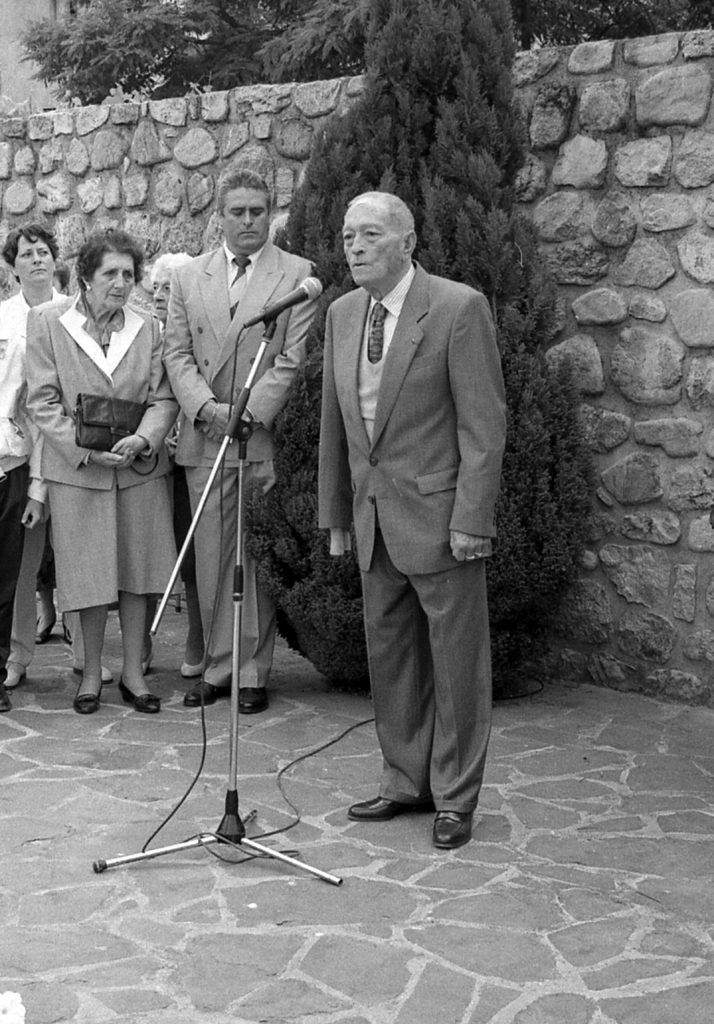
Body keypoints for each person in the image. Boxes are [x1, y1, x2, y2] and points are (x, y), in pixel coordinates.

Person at [318, 191, 507, 850]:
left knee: (456, 667)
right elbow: (336, 427)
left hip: (442, 521)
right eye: (348, 236)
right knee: (391, 657)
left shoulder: (457, 308)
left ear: (407, 241)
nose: (356, 246)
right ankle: (405, 779)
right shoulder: (343, 314)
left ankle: (455, 797)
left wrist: (472, 517)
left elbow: (483, 425)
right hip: (374, 523)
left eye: (370, 234)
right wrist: (336, 514)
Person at [163, 166, 318, 714]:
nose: (248, 220)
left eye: (258, 210)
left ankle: (251, 671)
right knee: (210, 557)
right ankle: (217, 666)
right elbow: (176, 353)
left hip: (254, 437)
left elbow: (291, 360)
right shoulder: (188, 277)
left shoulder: (297, 275)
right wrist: (207, 408)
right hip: (205, 435)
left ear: (270, 213)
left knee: (250, 558)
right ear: (219, 218)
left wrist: (244, 415)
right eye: (238, 211)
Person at [26, 228, 178, 715]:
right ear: (86, 277)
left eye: (128, 274)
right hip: (79, 473)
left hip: (138, 469)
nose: (120, 283)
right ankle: (90, 673)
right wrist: (86, 452)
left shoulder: (148, 327)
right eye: (109, 273)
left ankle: (134, 673)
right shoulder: (47, 322)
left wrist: (145, 438)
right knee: (88, 575)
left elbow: (163, 397)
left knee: (138, 571)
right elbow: (42, 402)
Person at [0, 224, 64, 703]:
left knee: (82, 559)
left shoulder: (73, 313)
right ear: (13, 264)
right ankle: (16, 655)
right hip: (21, 454)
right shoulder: (3, 319)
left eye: (44, 251)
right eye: (27, 253)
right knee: (21, 565)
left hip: (72, 450)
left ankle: (86, 656)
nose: (37, 259)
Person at [148, 252, 205, 679]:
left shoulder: (195, 335)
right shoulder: (144, 333)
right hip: (149, 457)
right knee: (146, 548)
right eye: (155, 287)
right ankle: (141, 642)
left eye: (169, 288)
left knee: (192, 551)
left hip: (190, 451)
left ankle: (198, 638)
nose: (160, 295)